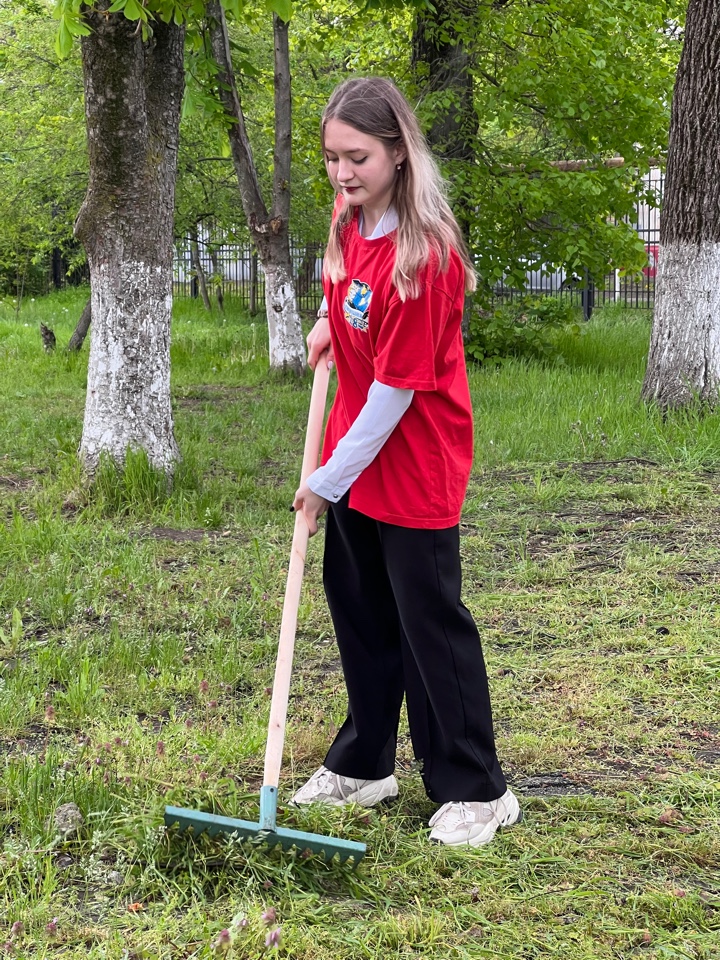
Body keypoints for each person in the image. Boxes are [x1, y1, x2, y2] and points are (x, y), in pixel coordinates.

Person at [291, 76, 520, 847]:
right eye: (331, 158)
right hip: (353, 447)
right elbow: (339, 278)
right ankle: (365, 766)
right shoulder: (349, 215)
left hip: (411, 461)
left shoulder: (428, 257)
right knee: (359, 611)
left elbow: (395, 396)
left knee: (429, 625)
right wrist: (326, 316)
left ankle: (476, 788)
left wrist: (326, 480)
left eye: (356, 157)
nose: (342, 173)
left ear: (397, 151)